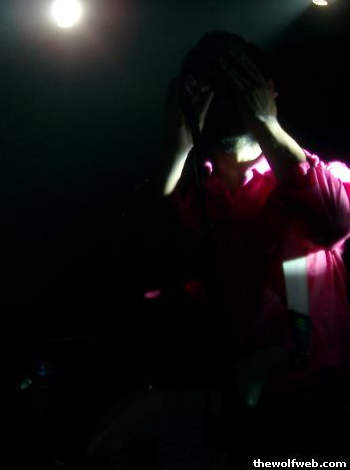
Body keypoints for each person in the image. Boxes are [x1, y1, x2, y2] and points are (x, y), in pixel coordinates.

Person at [143, 31, 350, 456]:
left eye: (240, 81)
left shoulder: (328, 176)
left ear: (268, 90)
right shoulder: (190, 196)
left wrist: (266, 123)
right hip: (224, 412)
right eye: (213, 87)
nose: (228, 98)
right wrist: (175, 146)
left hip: (317, 407)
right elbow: (148, 258)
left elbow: (333, 221)